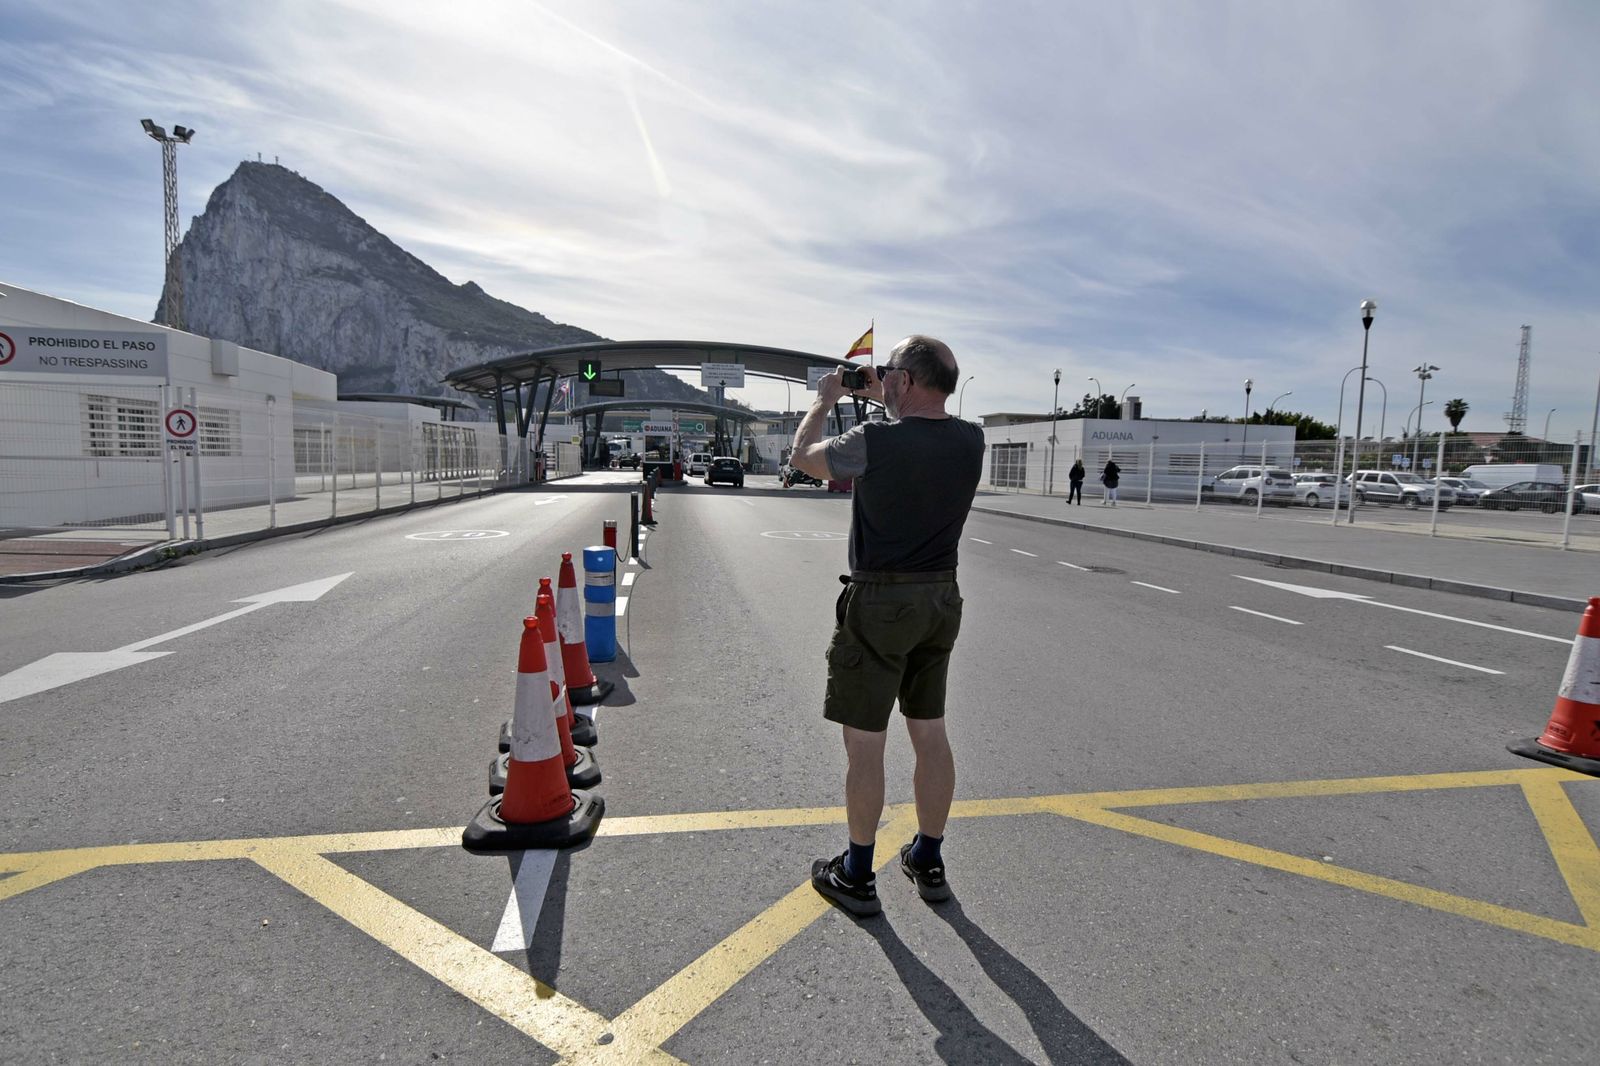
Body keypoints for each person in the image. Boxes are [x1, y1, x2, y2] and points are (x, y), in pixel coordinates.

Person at [788, 336, 985, 917]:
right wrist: (888, 393)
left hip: (879, 601)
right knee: (930, 733)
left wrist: (824, 401)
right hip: (939, 598)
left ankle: (855, 872)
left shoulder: (872, 442)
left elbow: (803, 458)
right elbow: (923, 430)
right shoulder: (971, 440)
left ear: (905, 381)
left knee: (866, 743)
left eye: (891, 374)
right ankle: (928, 855)